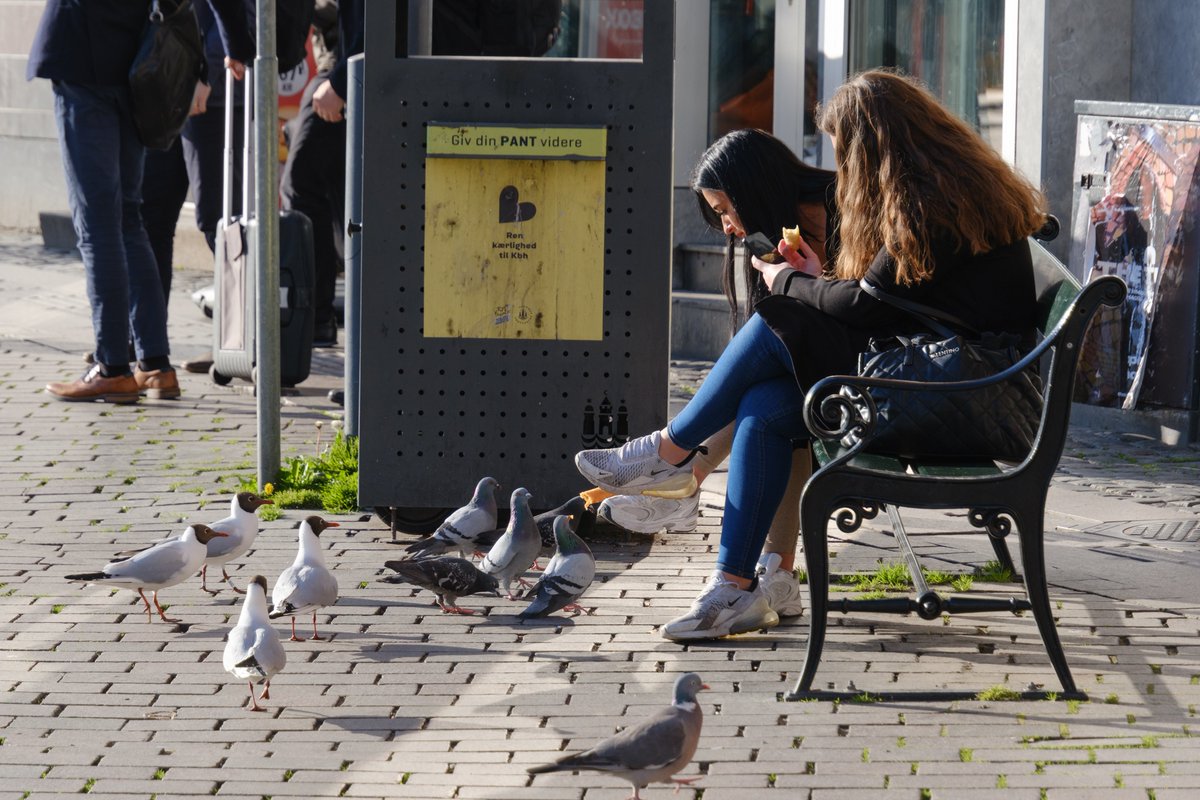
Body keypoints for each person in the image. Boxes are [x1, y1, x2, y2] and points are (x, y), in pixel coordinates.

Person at [577, 70, 1048, 642]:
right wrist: (805, 280)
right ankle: (735, 585)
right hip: (950, 380)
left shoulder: (926, 207)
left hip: (956, 395)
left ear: (877, 146)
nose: (844, 169)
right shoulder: (945, 190)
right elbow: (877, 302)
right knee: (769, 401)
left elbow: (865, 305)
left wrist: (785, 280)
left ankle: (669, 453)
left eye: (846, 153)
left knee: (777, 317)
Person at [596, 129, 837, 619]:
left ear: (754, 189)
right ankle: (761, 575)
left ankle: (671, 457)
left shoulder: (831, 213)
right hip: (828, 377)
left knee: (772, 330)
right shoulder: (784, 228)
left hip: (870, 376)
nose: (726, 227)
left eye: (725, 209)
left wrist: (807, 281)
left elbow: (847, 309)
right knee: (764, 406)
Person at [279, 0, 363, 348]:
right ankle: (319, 318)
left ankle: (315, 315)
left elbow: (376, 20)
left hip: (345, 72)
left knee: (301, 183)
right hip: (341, 68)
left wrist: (342, 82)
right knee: (328, 189)